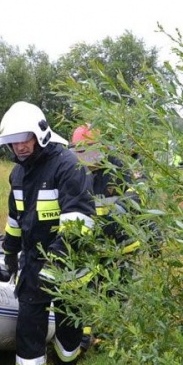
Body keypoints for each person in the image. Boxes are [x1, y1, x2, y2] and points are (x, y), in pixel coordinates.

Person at [0, 101, 96, 365]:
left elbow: (79, 221)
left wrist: (55, 262)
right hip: (34, 259)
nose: (19, 147)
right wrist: (10, 255)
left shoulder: (68, 166)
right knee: (29, 318)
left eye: (24, 139)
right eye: (13, 142)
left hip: (68, 259)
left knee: (70, 317)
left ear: (39, 134)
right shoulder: (17, 173)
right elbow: (16, 220)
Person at [71, 123, 144, 350]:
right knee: (87, 287)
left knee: (115, 290)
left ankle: (107, 338)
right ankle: (83, 336)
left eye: (89, 151)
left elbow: (134, 201)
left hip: (120, 245)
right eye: (80, 152)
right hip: (93, 244)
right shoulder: (77, 172)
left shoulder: (117, 169)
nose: (86, 158)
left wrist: (110, 218)